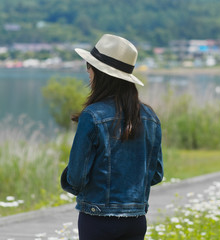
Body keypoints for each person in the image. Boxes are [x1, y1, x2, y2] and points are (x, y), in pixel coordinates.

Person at [60, 34, 164, 240]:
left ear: (99, 72)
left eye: (88, 67)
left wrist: (68, 181)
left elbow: (76, 177)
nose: (87, 73)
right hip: (136, 220)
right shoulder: (150, 117)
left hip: (97, 219)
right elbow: (156, 174)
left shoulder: (92, 116)